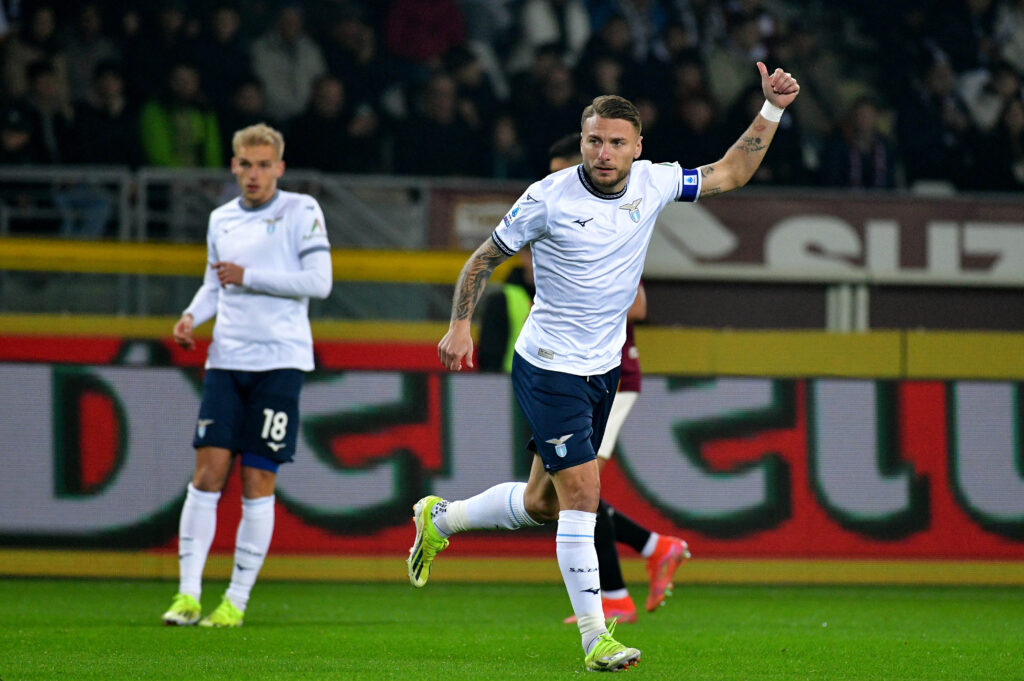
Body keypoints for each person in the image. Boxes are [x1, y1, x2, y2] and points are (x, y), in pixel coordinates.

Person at [410, 61, 799, 672]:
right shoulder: (548, 198)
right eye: (594, 139)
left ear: (637, 147)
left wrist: (772, 109)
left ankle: (443, 518)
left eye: (617, 142)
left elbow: (733, 170)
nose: (604, 151)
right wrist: (459, 324)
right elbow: (482, 260)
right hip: (549, 364)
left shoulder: (654, 182)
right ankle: (597, 636)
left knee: (544, 503)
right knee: (585, 493)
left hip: (603, 366)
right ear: (582, 140)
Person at [479, 132, 691, 622]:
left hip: (611, 373)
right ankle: (653, 549)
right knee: (550, 495)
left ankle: (615, 595)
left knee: (579, 489)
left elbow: (638, 303)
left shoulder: (617, 219)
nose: (554, 179)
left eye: (560, 168)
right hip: (565, 368)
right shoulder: (556, 207)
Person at [161, 123, 332, 628]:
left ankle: (234, 601)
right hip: (227, 360)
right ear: (233, 166)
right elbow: (215, 284)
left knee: (258, 478)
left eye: (263, 165)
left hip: (280, 363)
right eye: (245, 164)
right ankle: (187, 596)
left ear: (279, 168)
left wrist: (249, 276)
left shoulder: (302, 211)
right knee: (207, 474)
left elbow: (319, 283)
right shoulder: (222, 219)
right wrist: (193, 315)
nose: (253, 174)